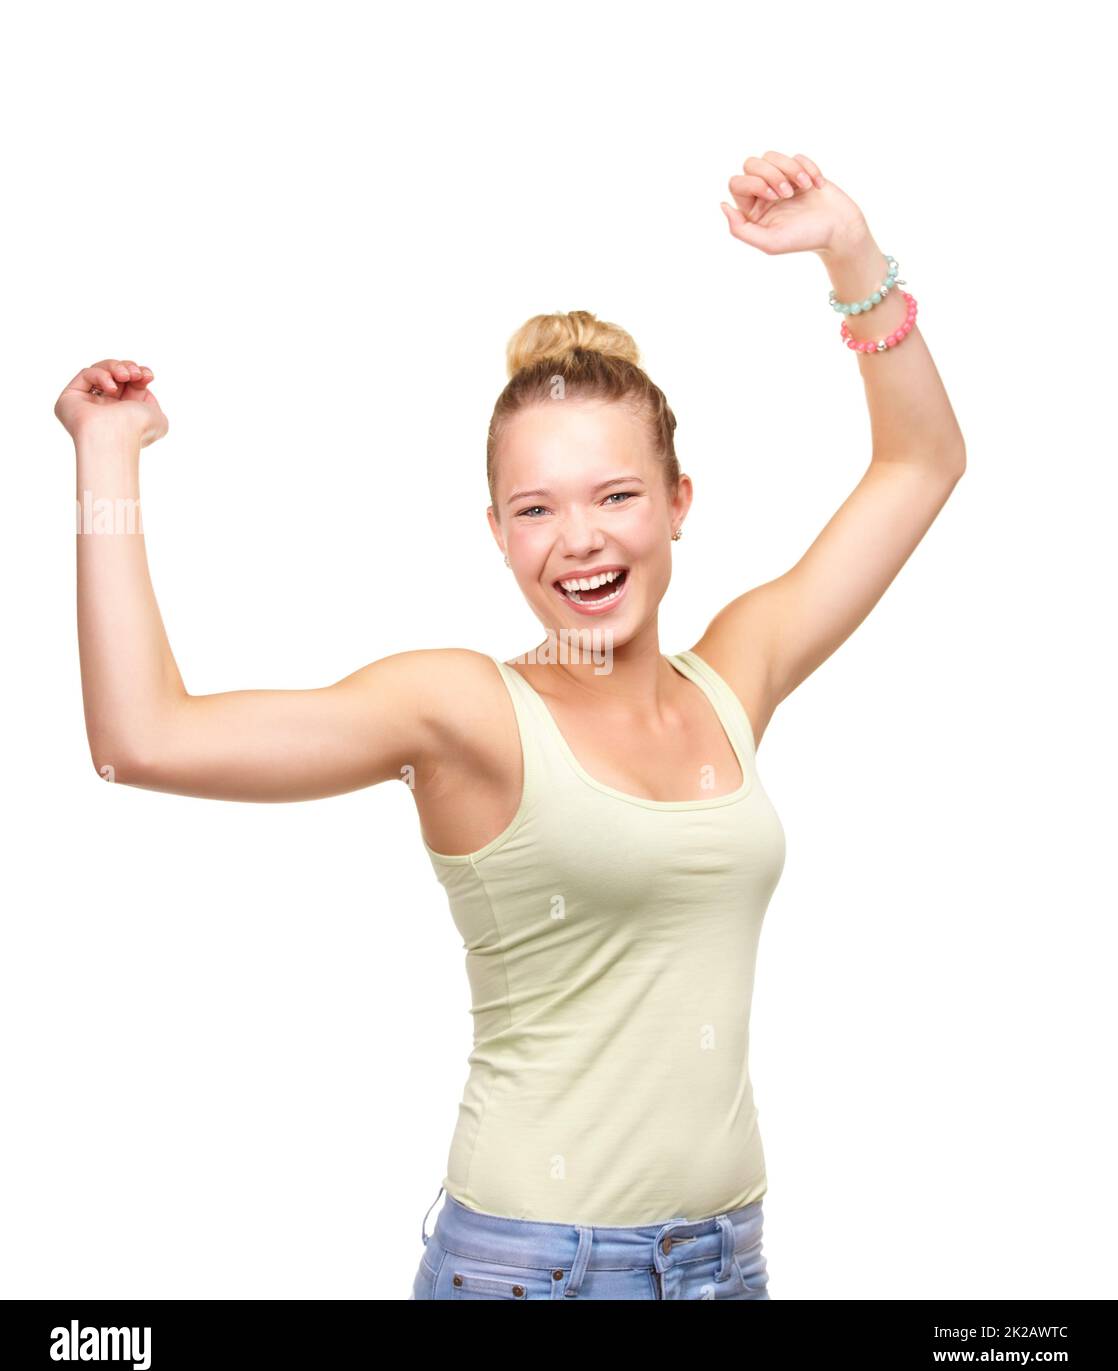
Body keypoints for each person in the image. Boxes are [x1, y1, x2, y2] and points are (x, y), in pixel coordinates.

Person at [55, 148, 965, 1301]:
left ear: (678, 503)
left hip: (727, 1263)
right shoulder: (466, 711)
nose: (577, 539)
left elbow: (921, 464)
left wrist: (850, 254)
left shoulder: (734, 677)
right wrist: (104, 460)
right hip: (540, 1273)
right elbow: (141, 737)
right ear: (495, 532)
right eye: (536, 509)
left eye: (615, 496)